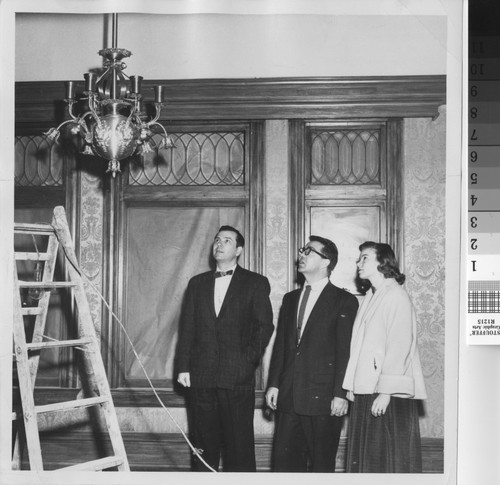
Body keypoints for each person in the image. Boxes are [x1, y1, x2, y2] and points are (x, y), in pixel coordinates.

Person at [176, 225, 274, 472]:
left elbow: (265, 328)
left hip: (237, 378)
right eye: (217, 240)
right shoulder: (197, 283)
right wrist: (183, 367)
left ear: (239, 250)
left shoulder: (255, 283)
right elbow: (187, 328)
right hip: (201, 378)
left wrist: (246, 361)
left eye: (227, 241)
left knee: (239, 447)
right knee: (203, 444)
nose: (219, 244)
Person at [265, 235, 359, 472]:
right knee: (284, 466)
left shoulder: (344, 300)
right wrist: (274, 384)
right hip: (288, 396)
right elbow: (282, 348)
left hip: (324, 399)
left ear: (326, 262)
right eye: (302, 250)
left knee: (321, 466)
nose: (302, 255)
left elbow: (345, 351)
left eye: (309, 251)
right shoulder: (290, 299)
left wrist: (340, 393)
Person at [343, 241, 427, 473]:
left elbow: (400, 346)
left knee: (386, 460)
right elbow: (360, 346)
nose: (358, 263)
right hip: (368, 391)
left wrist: (386, 392)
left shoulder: (396, 295)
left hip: (386, 395)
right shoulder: (372, 295)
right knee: (368, 458)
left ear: (383, 262)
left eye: (365, 258)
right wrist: (352, 384)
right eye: (359, 258)